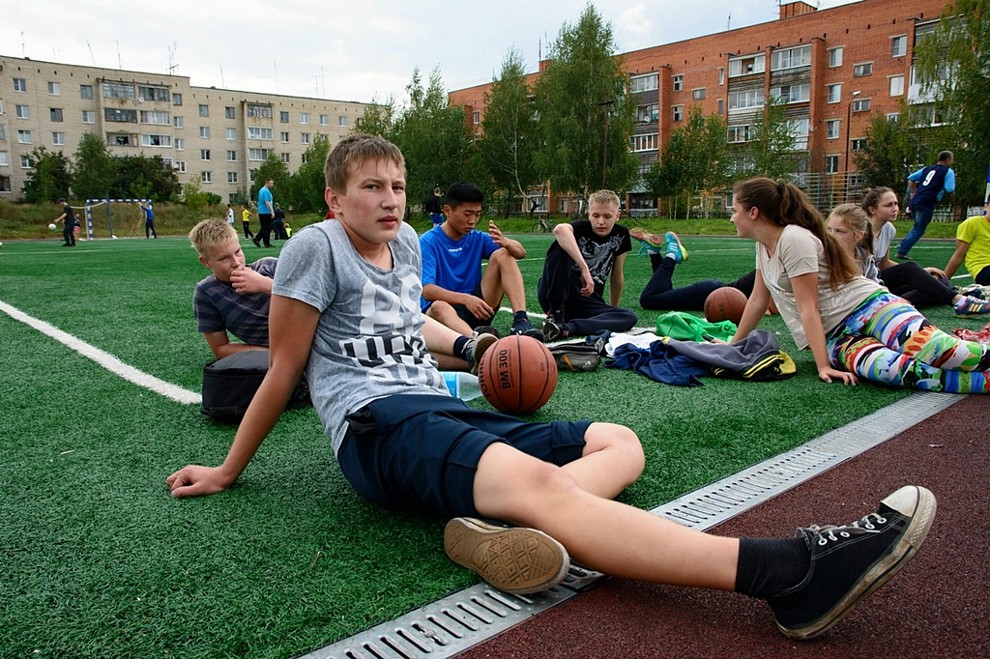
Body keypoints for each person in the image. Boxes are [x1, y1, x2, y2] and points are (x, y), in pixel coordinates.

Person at [167, 135, 937, 642]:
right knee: (538, 480)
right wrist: (230, 470)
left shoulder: (403, 246)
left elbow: (414, 328)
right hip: (375, 425)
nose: (391, 199)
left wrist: (477, 344)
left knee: (619, 440)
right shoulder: (313, 246)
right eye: (372, 187)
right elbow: (284, 365)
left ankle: (502, 526)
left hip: (436, 401)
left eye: (398, 185)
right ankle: (786, 572)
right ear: (337, 199)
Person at [728, 177, 990, 393]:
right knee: (898, 372)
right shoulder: (763, 246)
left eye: (734, 210)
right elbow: (757, 300)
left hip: (870, 308)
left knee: (947, 353)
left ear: (754, 212)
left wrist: (822, 366)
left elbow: (809, 307)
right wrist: (732, 346)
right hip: (837, 337)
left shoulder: (793, 238)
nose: (732, 218)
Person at [420, 182, 543, 339]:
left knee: (503, 254)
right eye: (467, 214)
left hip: (477, 310)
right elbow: (427, 290)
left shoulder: (476, 237)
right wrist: (466, 299)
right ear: (447, 211)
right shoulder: (428, 242)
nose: (472, 220)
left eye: (477, 214)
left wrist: (505, 241)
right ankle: (476, 341)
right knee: (439, 306)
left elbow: (520, 253)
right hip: (444, 317)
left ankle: (521, 321)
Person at [862, 187, 989, 316]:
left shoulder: (888, 229)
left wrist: (921, 273)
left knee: (936, 282)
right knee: (911, 270)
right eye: (888, 205)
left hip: (878, 279)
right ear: (872, 209)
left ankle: (896, 303)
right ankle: (959, 301)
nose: (895, 208)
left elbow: (884, 264)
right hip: (862, 284)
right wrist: (913, 272)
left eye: (896, 204)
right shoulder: (860, 232)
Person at [538, 190, 637, 341]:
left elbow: (617, 276)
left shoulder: (621, 235)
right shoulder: (580, 228)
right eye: (596, 216)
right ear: (589, 214)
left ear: (617, 216)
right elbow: (559, 229)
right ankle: (556, 316)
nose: (601, 222)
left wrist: (612, 311)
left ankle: (566, 329)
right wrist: (584, 269)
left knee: (628, 316)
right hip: (559, 293)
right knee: (559, 247)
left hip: (588, 301)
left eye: (607, 216)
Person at [190, 219, 278, 359]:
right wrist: (272, 354)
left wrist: (266, 285)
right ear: (206, 262)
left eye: (237, 252)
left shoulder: (269, 267)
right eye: (224, 258)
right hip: (276, 356)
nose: (236, 263)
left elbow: (313, 299)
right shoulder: (207, 293)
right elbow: (220, 348)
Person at [895, 151, 955, 260]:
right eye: (951, 159)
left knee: (917, 226)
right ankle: (902, 251)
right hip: (928, 201)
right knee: (919, 229)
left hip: (915, 200)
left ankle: (904, 244)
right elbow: (949, 188)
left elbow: (911, 178)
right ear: (948, 160)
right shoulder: (948, 172)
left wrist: (914, 193)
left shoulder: (927, 168)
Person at [942, 196, 990, 288]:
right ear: (986, 206)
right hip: (983, 268)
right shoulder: (972, 223)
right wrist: (944, 280)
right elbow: (958, 255)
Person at [254, 178, 275, 248]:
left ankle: (258, 239)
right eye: (271, 183)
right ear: (267, 183)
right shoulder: (265, 191)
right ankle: (264, 242)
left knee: (265, 228)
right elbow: (267, 202)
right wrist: (272, 212)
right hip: (266, 212)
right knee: (266, 228)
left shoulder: (261, 190)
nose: (272, 185)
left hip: (262, 211)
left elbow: (260, 202)